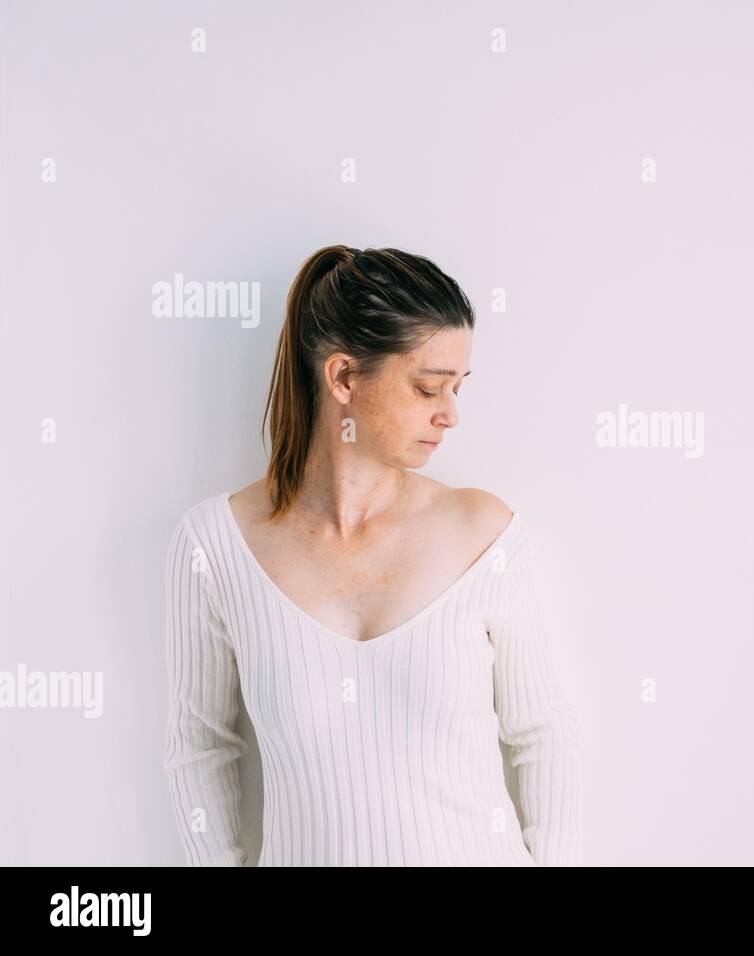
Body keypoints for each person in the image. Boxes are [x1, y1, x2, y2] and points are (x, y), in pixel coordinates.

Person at [161, 245, 582, 866]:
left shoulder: (485, 534)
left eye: (458, 388)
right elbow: (199, 746)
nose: (451, 414)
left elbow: (545, 733)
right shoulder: (214, 546)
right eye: (427, 387)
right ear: (343, 378)